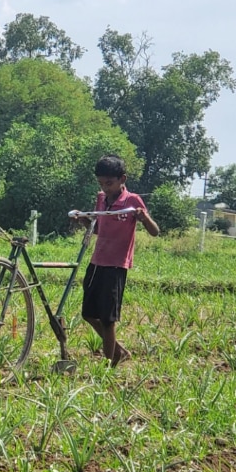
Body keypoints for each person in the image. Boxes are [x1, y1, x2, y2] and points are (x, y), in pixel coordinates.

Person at [71, 154, 160, 367]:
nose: (105, 188)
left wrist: (143, 217)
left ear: (123, 179)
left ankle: (109, 364)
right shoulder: (101, 199)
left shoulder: (132, 201)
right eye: (101, 183)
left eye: (109, 183)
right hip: (97, 261)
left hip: (116, 265)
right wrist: (83, 219)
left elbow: (155, 231)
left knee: (108, 319)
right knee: (88, 314)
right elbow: (99, 229)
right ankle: (118, 351)